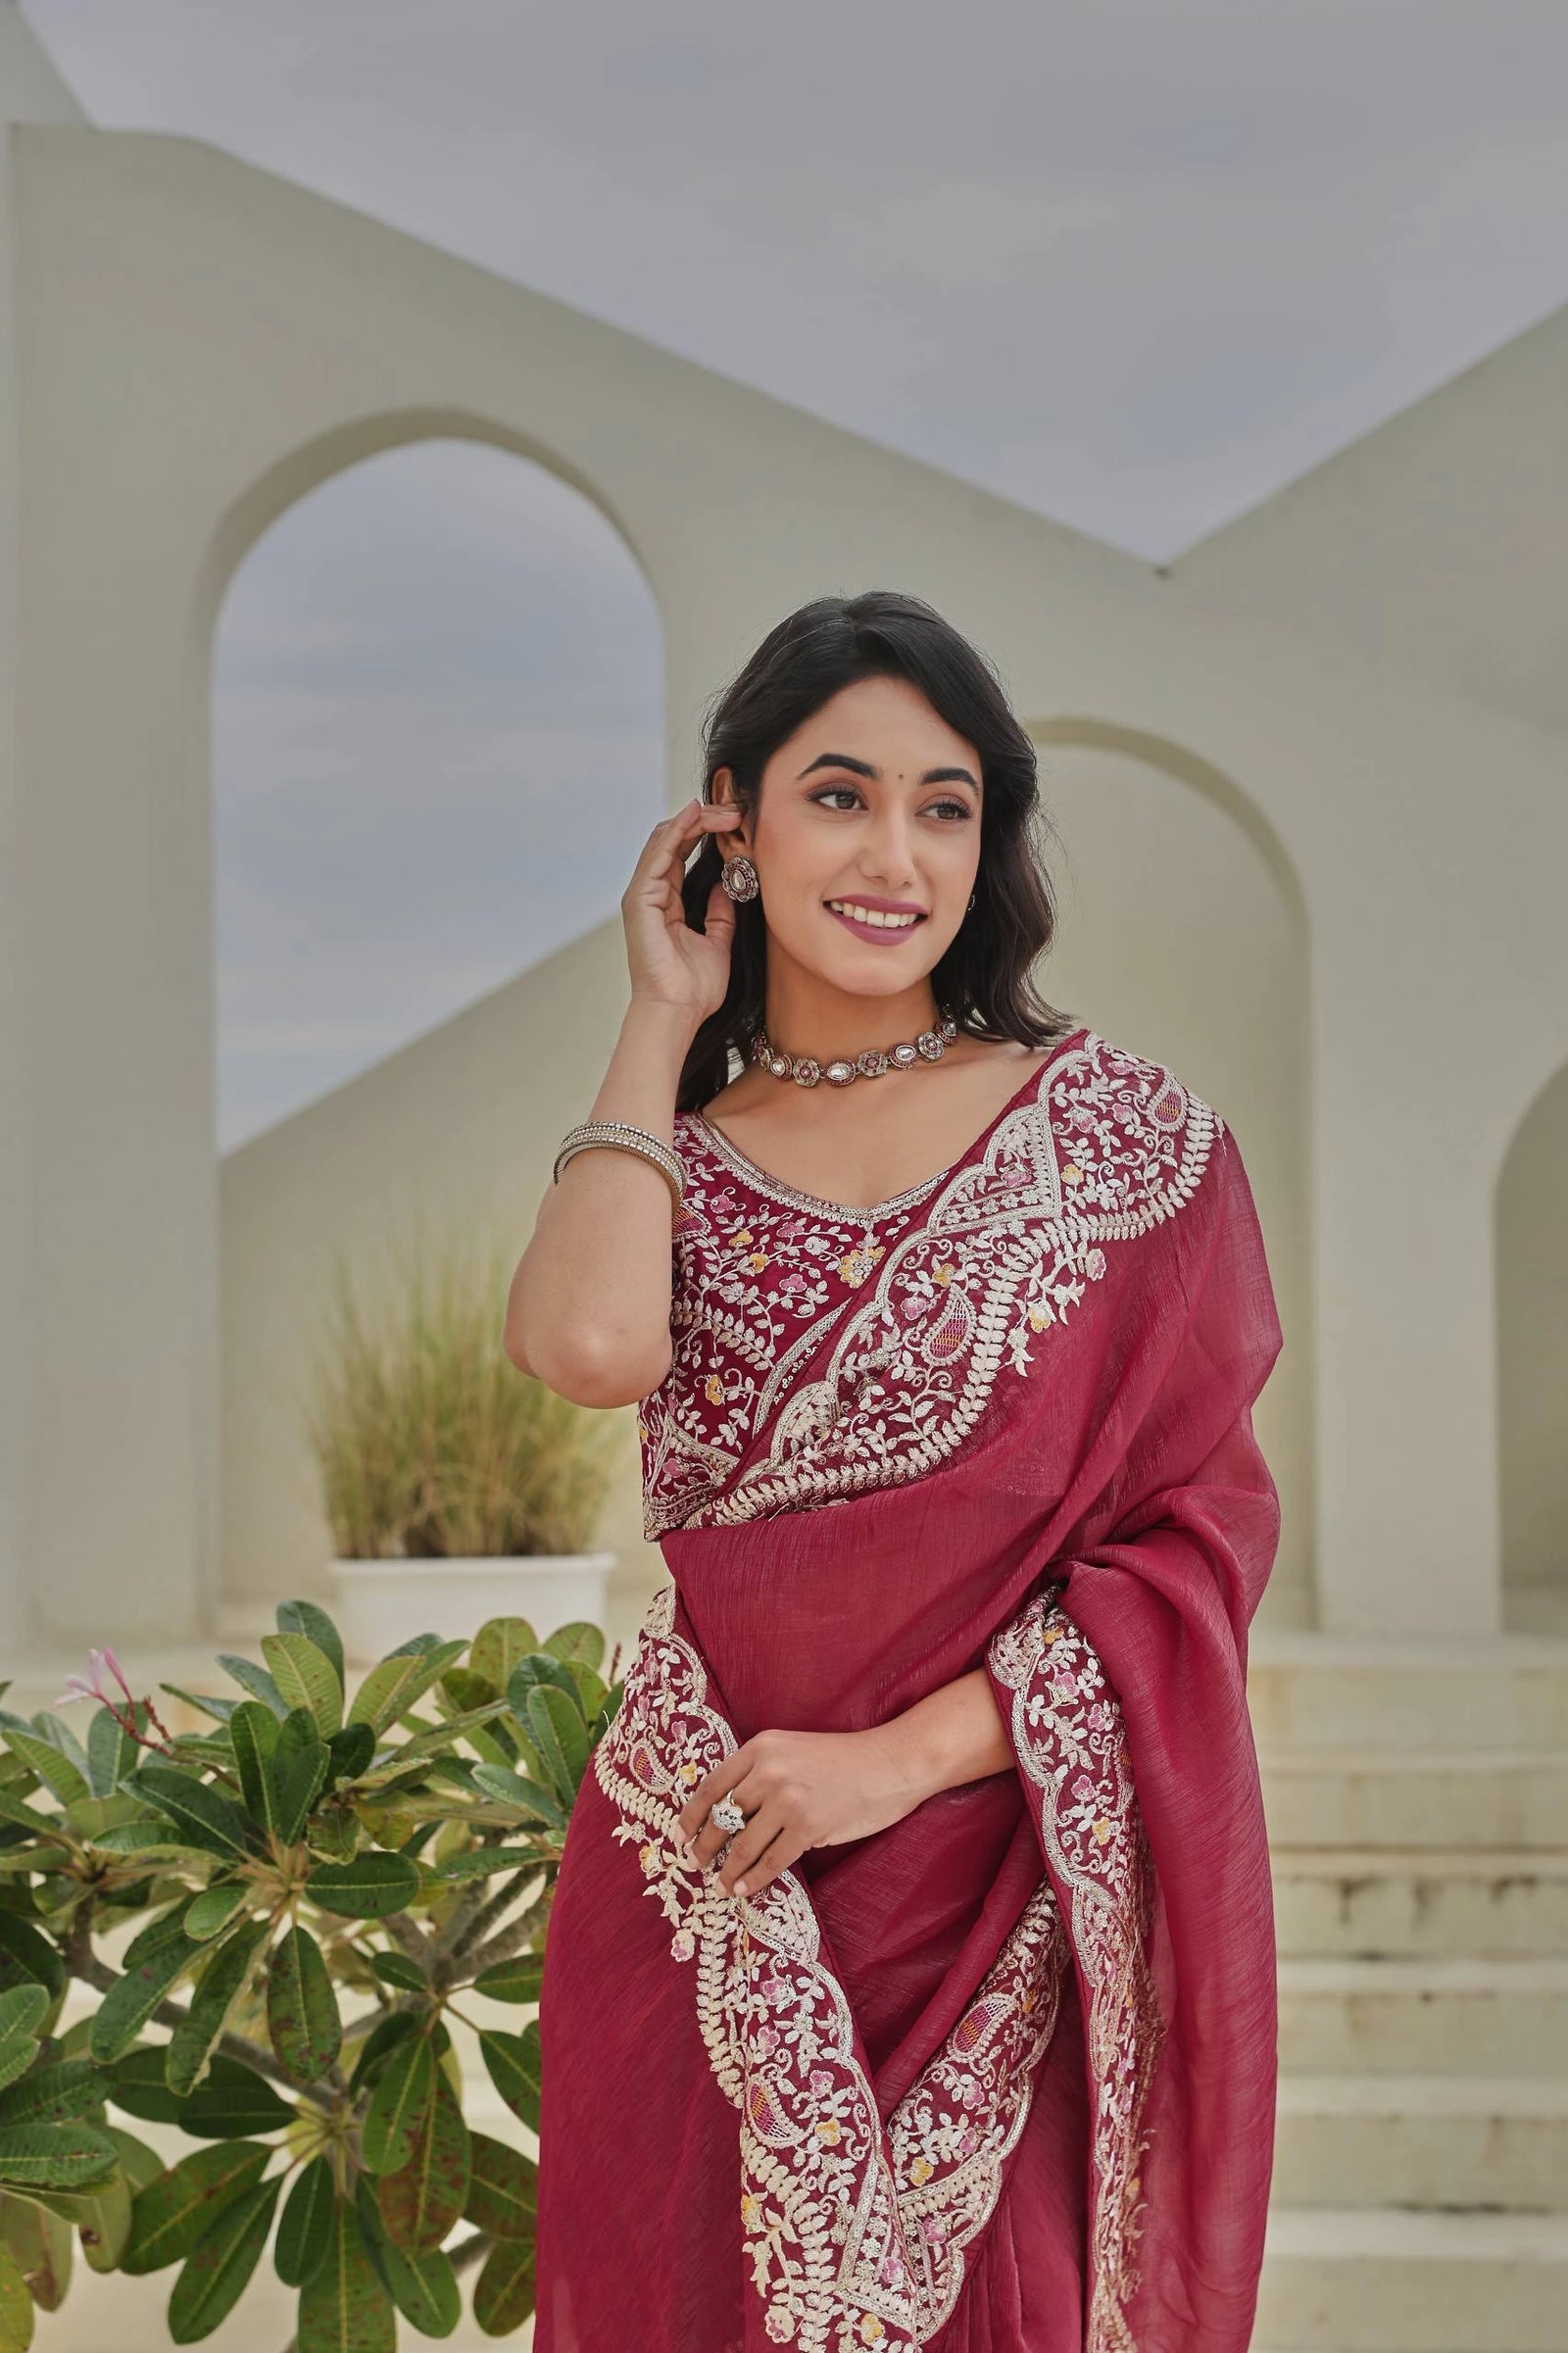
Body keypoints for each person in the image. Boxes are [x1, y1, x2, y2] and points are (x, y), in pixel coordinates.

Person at [504, 589, 1284, 2353]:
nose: (895, 853)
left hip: (987, 1892)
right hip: (700, 1894)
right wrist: (657, 1012)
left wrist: (898, 1761)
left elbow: (1198, 1549)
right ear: (736, 824)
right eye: (838, 794)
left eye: (947, 805)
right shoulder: (676, 1158)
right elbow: (584, 1351)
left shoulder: (1120, 1146)